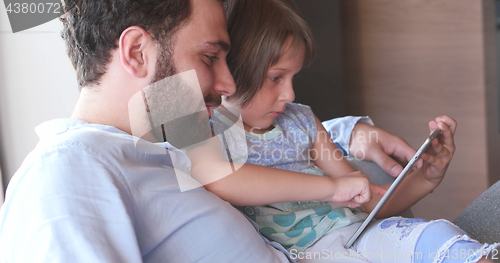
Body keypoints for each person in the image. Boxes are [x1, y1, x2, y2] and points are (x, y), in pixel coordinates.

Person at [0, 0, 434, 262]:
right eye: (210, 58)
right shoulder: (68, 170)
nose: (229, 84)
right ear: (136, 52)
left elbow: (253, 127)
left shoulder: (161, 136)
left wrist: (347, 133)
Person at [184, 0, 499, 262]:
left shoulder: (302, 121)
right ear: (234, 68)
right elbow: (222, 179)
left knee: (438, 236)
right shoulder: (209, 131)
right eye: (276, 78)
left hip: (357, 234)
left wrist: (427, 178)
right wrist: (332, 188)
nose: (290, 95)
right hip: (306, 253)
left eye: (293, 77)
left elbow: (363, 196)